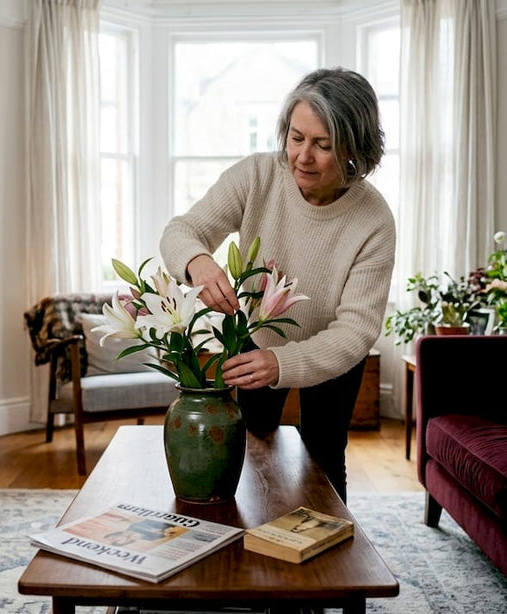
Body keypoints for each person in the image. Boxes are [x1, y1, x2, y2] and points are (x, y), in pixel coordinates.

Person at [159, 67, 395, 502]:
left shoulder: (373, 219)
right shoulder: (257, 176)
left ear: (354, 149)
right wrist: (198, 262)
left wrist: (282, 363)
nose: (303, 156)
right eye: (296, 137)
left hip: (329, 350)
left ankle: (331, 557)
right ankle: (254, 540)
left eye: (323, 145)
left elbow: (357, 331)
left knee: (325, 454)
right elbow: (181, 230)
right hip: (257, 335)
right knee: (253, 445)